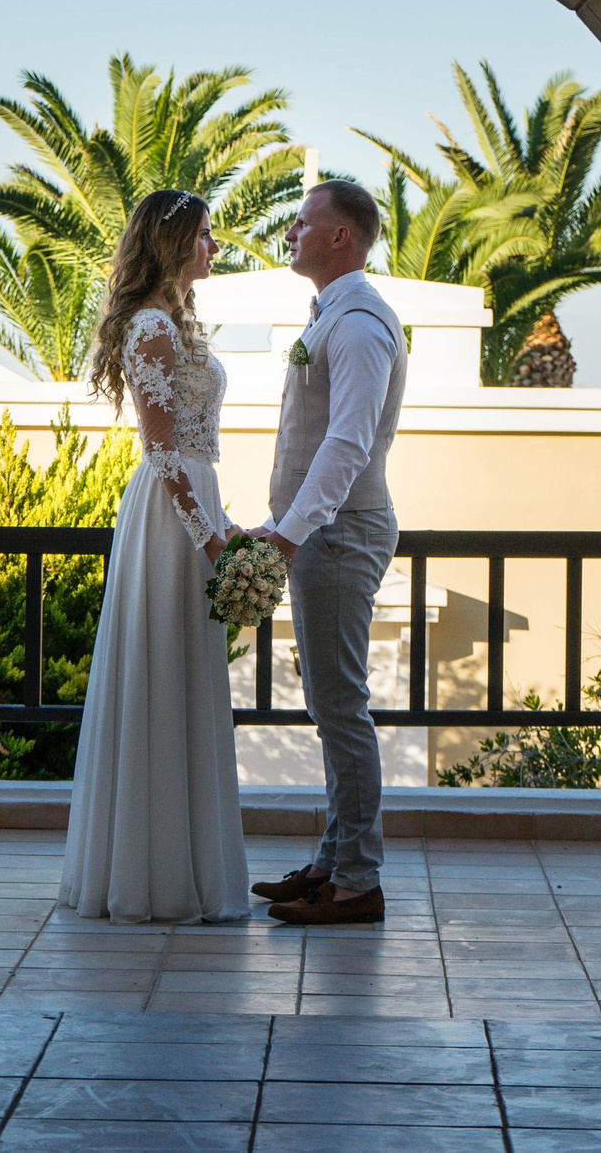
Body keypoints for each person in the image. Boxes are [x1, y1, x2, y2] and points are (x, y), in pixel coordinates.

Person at [59, 189, 251, 923]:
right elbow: (163, 447)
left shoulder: (172, 321)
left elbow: (189, 450)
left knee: (184, 675)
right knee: (162, 671)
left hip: (195, 500)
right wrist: (208, 534)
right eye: (204, 236)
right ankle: (154, 876)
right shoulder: (149, 327)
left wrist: (221, 521)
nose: (214, 247)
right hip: (172, 515)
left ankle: (181, 867)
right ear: (172, 243)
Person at [247, 179, 408, 925]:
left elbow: (346, 443)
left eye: (303, 222)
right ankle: (331, 861)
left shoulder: (361, 326)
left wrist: (287, 533)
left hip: (338, 535)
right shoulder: (335, 317)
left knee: (340, 707)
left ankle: (356, 880)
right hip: (324, 532)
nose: (291, 232)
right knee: (329, 704)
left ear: (340, 235)